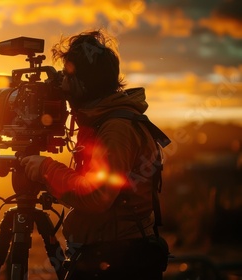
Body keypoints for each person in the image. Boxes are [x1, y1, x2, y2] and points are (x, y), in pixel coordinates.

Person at [20, 30, 170, 279]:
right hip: (108, 254)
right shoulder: (101, 121)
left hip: (119, 261)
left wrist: (47, 169)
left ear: (83, 84)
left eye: (67, 77)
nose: (62, 87)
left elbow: (97, 195)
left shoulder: (116, 129)